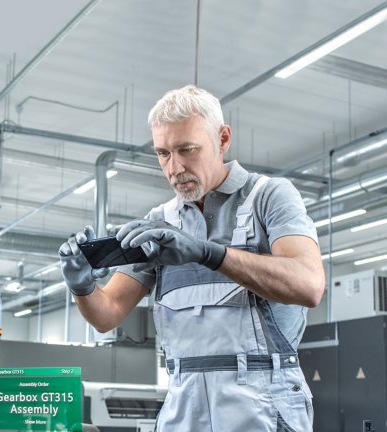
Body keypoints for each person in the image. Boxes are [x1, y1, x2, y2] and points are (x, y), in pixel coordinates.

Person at [59, 85, 325, 431]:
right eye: (163, 153)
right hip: (184, 405)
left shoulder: (269, 196)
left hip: (263, 402)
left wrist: (207, 253)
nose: (175, 167)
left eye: (188, 149)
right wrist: (81, 285)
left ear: (223, 139)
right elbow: (107, 314)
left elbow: (309, 284)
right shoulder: (160, 221)